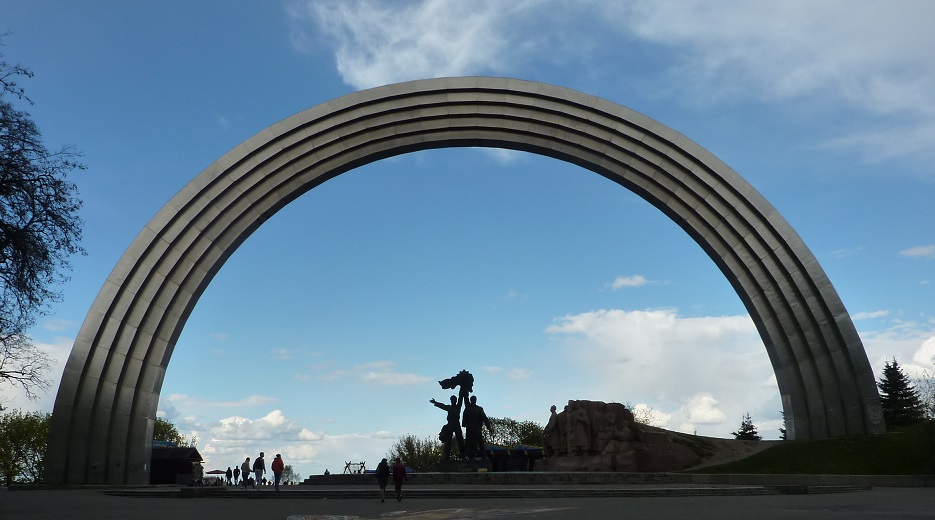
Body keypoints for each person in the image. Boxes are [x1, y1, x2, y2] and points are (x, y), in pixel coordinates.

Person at [430, 395, 465, 459]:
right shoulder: (449, 407)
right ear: (451, 401)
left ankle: (463, 455)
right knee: (448, 441)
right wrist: (435, 402)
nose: (453, 401)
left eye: (454, 400)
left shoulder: (458, 406)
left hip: (457, 424)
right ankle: (446, 456)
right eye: (452, 400)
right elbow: (442, 406)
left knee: (460, 440)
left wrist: (463, 388)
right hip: (450, 425)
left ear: (456, 401)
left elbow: (461, 398)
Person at [462, 395, 493, 459]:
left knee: (480, 442)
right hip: (470, 428)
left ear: (476, 400)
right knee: (469, 442)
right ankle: (469, 455)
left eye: (474, 399)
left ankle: (484, 456)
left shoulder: (479, 409)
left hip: (477, 428)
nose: (473, 401)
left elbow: (485, 419)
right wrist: (464, 424)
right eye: (472, 399)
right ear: (471, 401)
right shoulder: (468, 408)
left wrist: (489, 427)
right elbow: (464, 417)